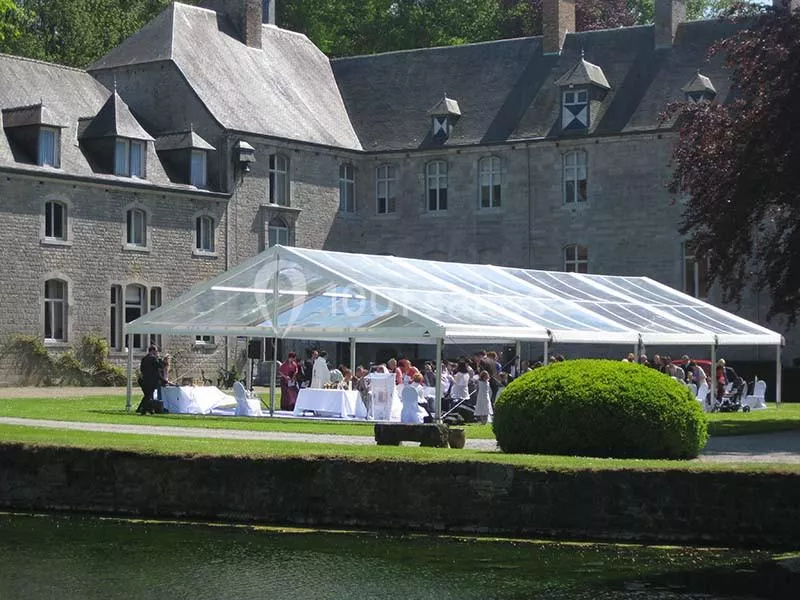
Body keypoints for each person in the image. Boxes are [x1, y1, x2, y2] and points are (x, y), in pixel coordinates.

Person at [137, 345, 162, 415]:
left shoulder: (144, 358)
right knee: (148, 396)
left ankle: (150, 410)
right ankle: (143, 411)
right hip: (151, 380)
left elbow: (141, 369)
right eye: (156, 351)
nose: (157, 352)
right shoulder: (153, 358)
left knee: (148, 395)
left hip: (145, 379)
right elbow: (159, 366)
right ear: (153, 351)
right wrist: (159, 358)